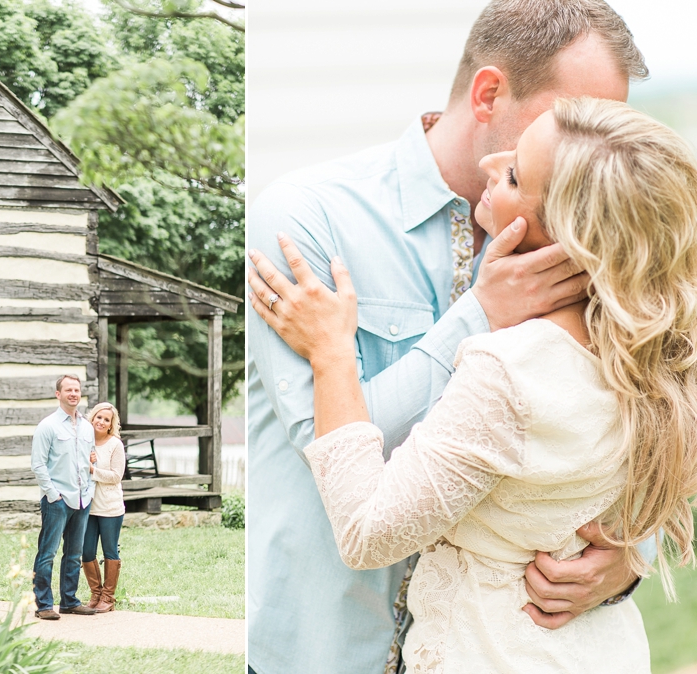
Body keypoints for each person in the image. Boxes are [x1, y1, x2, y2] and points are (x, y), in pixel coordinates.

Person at [247, 1, 650, 672]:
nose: (595, 145)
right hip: (326, 654)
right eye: (571, 118)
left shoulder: (587, 237)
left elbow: (633, 420)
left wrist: (628, 559)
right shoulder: (304, 221)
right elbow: (339, 457)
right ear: (489, 93)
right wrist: (480, 316)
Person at [30, 374, 97, 620]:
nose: (73, 394)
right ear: (58, 394)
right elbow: (38, 465)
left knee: (74, 553)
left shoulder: (87, 426)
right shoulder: (48, 426)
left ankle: (69, 601)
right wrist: (53, 495)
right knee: (47, 553)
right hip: (57, 500)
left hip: (82, 499)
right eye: (68, 390)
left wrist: (89, 490)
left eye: (77, 390)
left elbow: (90, 459)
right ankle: (44, 604)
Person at [80, 401, 126, 613]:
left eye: (106, 419)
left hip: (110, 508)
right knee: (86, 551)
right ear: (92, 418)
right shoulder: (84, 441)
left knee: (110, 551)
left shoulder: (115, 444)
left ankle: (108, 597)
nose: (101, 421)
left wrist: (93, 470)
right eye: (99, 417)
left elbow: (116, 476)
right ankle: (95, 593)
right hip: (88, 507)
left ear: (110, 425)